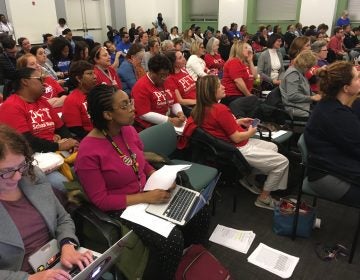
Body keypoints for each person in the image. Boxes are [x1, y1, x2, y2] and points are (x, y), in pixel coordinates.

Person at [75, 84, 209, 279]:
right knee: (171, 240)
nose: (132, 108)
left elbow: (141, 162)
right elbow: (101, 200)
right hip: (123, 206)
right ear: (107, 115)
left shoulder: (127, 130)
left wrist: (160, 177)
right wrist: (146, 196)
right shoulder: (88, 152)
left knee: (198, 208)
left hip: (147, 191)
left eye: (129, 102)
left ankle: (190, 261)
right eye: (124, 106)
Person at [0, 124, 93, 279]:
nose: (17, 177)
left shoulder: (31, 175)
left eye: (21, 165)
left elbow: (62, 218)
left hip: (59, 264)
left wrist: (67, 245)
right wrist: (30, 278)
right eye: (6, 172)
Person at [182, 75, 289, 209]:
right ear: (211, 91)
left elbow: (217, 126)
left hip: (227, 147)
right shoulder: (220, 109)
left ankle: (248, 177)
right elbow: (237, 137)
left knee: (272, 147)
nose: (223, 86)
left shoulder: (200, 108)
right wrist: (251, 131)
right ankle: (264, 198)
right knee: (282, 163)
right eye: (219, 85)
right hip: (236, 149)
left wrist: (236, 122)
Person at [0, 67, 78, 191]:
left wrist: (69, 141)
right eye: (40, 79)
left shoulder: (42, 102)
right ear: (25, 82)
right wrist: (57, 146)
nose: (45, 83)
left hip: (55, 150)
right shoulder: (11, 106)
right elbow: (25, 142)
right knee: (64, 185)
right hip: (35, 160)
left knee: (89, 166)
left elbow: (61, 128)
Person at [304, 61, 360, 206]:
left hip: (334, 164)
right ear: (346, 88)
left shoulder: (333, 104)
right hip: (325, 176)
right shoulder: (334, 114)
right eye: (357, 78)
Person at [131, 54, 185, 131]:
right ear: (152, 72)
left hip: (169, 121)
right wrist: (170, 121)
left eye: (167, 75)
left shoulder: (167, 80)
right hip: (149, 127)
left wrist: (180, 113)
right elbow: (144, 114)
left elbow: (174, 102)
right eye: (162, 75)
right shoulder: (140, 86)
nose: (164, 78)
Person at [280, 50, 321, 118]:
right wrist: (312, 98)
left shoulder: (299, 72)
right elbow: (292, 96)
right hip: (297, 108)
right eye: (309, 67)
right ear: (304, 65)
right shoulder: (293, 74)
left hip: (303, 106)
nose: (310, 69)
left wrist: (317, 95)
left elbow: (305, 91)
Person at [62, 60, 96, 139]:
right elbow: (76, 131)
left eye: (94, 73)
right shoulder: (71, 100)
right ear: (78, 78)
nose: (95, 76)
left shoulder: (98, 93)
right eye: (90, 73)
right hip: (89, 138)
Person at [221, 41, 257, 105]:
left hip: (241, 95)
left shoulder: (244, 63)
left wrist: (250, 61)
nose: (249, 50)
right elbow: (238, 81)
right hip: (233, 97)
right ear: (239, 50)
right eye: (246, 48)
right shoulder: (234, 62)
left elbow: (255, 77)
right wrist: (249, 95)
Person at [165, 50, 196, 116]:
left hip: (198, 100)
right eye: (180, 58)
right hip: (190, 106)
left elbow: (194, 87)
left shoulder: (183, 70)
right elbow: (180, 100)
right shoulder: (170, 78)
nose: (184, 59)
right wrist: (198, 101)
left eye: (183, 56)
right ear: (173, 63)